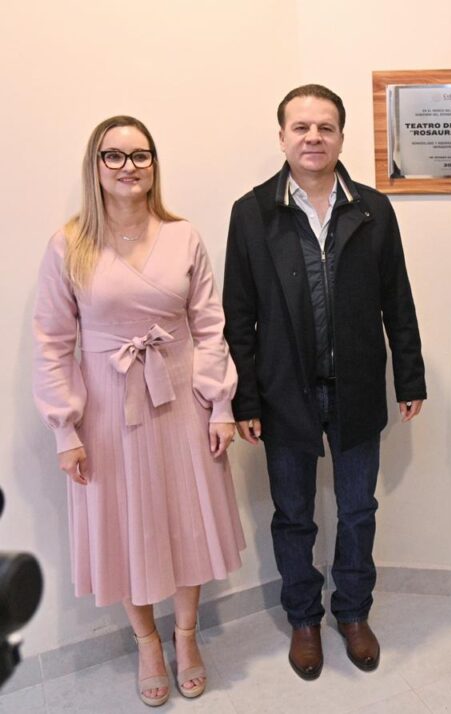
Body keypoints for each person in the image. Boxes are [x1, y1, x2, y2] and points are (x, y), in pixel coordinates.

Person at [33, 116, 245, 707]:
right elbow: (52, 342)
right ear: (95, 165)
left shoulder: (183, 235)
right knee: (123, 524)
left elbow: (210, 325)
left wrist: (221, 404)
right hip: (106, 406)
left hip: (180, 397)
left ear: (154, 164)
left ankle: (186, 636)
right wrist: (64, 428)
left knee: (188, 518)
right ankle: (147, 643)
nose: (129, 166)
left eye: (140, 155)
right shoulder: (69, 243)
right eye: (115, 155)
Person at [223, 84, 426, 680]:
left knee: (358, 508)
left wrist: (409, 377)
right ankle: (304, 619)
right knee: (293, 514)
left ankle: (354, 611)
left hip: (356, 386)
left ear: (341, 136)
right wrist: (244, 398)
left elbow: (397, 299)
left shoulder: (373, 208)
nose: (313, 137)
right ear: (282, 136)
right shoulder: (252, 212)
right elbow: (238, 314)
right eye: (301, 127)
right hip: (284, 390)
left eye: (325, 127)